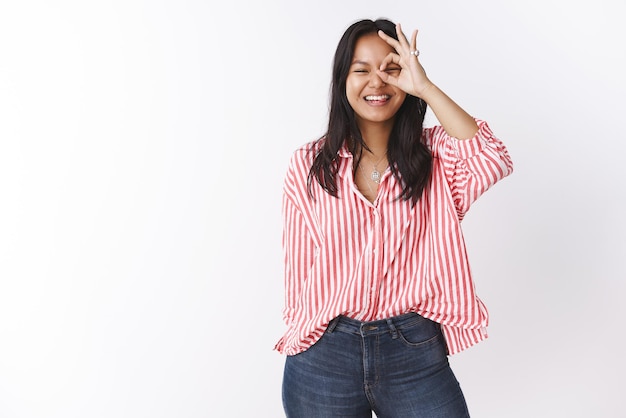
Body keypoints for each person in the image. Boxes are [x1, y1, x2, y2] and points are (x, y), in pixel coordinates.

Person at [275, 17, 513, 417]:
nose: (377, 82)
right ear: (342, 80)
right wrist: (304, 334)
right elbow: (298, 270)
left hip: (413, 351)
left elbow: (492, 157)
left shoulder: (437, 157)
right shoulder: (309, 165)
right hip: (324, 356)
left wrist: (425, 86)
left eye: (391, 69)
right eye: (362, 70)